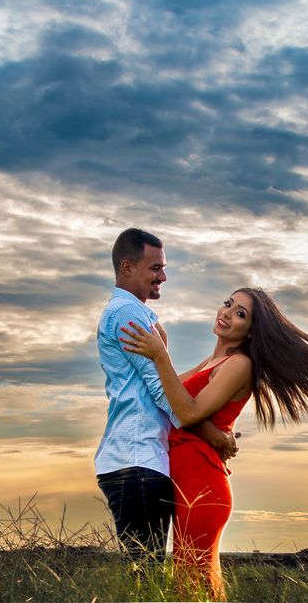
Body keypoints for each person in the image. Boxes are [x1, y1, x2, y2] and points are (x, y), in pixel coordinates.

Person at [119, 287, 308, 599]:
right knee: (191, 586)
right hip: (185, 479)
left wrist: (160, 355)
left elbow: (186, 411)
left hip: (202, 485)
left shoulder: (238, 365)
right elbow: (164, 401)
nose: (226, 313)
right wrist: (161, 354)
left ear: (250, 332)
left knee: (191, 588)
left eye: (240, 314)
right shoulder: (211, 361)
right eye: (228, 304)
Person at [94, 228, 238, 563]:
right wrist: (216, 437)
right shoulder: (129, 315)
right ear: (127, 268)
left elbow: (165, 383)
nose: (164, 276)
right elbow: (163, 394)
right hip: (137, 461)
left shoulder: (138, 315)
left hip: (136, 460)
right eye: (155, 268)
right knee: (148, 578)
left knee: (148, 573)